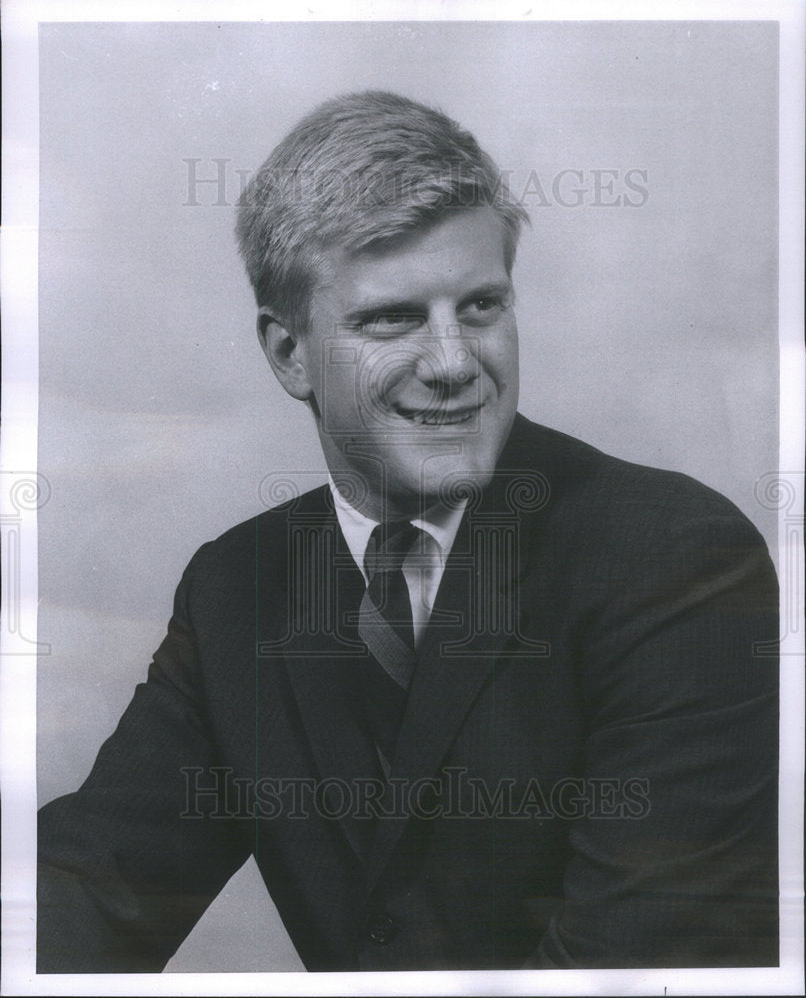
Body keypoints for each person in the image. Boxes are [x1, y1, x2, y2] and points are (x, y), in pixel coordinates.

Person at [37, 90, 779, 973]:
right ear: (287, 354)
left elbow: (629, 968)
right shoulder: (236, 585)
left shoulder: (675, 556)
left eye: (480, 307)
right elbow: (89, 887)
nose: (455, 365)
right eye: (391, 318)